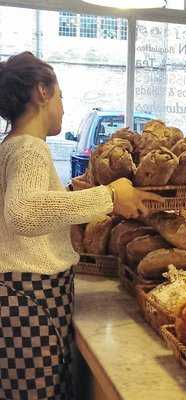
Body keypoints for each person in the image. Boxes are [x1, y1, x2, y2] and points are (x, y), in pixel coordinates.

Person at [0, 52, 162, 400]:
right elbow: (24, 213)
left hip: (29, 296)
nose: (62, 107)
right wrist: (109, 197)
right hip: (27, 298)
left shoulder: (14, 147)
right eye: (61, 97)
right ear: (42, 92)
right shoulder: (29, 148)